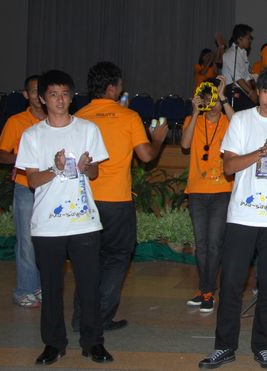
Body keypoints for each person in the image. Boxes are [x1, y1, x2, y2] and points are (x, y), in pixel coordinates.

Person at [199, 66, 267, 370]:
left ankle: (263, 347)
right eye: (265, 91)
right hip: (242, 217)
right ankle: (224, 347)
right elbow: (229, 167)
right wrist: (262, 151)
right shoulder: (242, 120)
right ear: (257, 92)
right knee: (231, 284)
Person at [15, 70, 112, 365]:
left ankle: (93, 342)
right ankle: (53, 344)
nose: (60, 100)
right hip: (47, 224)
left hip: (84, 222)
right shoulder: (32, 135)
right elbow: (32, 181)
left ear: (72, 97)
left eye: (65, 94)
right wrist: (56, 169)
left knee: (89, 287)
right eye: (53, 94)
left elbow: (95, 172)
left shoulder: (88, 129)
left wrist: (85, 166)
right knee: (51, 288)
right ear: (43, 99)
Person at [73, 62, 169, 332]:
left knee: (87, 261)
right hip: (116, 201)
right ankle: (101, 317)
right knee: (116, 259)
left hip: (83, 200)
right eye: (119, 84)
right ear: (112, 87)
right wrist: (158, 139)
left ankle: (80, 318)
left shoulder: (78, 117)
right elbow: (146, 157)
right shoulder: (128, 117)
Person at [181, 76, 235, 313]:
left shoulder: (228, 121)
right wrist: (195, 113)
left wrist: (223, 98)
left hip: (222, 191)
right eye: (208, 96)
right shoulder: (192, 120)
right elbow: (184, 144)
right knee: (201, 245)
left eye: (214, 96)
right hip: (197, 192)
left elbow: (241, 124)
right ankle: (205, 289)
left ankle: (208, 291)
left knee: (214, 245)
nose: (211, 101)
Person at [0, 74, 46, 308]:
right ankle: (25, 289)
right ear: (26, 95)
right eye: (33, 91)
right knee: (26, 240)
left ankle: (41, 287)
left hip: (51, 188)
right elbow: (2, 155)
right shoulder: (16, 121)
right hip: (26, 187)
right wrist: (23, 158)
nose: (38, 96)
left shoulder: (57, 121)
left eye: (42, 91)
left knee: (47, 241)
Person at [221, 24, 258, 111]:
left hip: (242, 91)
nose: (250, 41)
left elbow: (246, 76)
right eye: (248, 38)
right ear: (240, 39)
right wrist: (250, 92)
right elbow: (237, 78)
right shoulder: (230, 54)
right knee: (250, 109)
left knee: (254, 108)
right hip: (232, 90)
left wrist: (251, 93)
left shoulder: (243, 53)